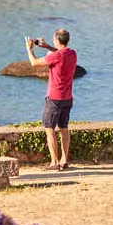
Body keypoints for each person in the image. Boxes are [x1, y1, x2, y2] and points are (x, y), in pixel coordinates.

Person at [27, 29, 78, 171]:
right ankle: (64, 160)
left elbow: (34, 63)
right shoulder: (72, 53)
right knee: (64, 129)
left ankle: (54, 162)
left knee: (49, 129)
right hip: (67, 97)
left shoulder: (56, 56)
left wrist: (29, 49)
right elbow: (60, 52)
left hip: (54, 98)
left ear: (57, 40)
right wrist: (47, 46)